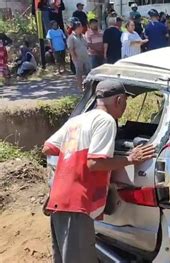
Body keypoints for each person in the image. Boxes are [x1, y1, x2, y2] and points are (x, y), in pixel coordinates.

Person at [42, 79, 156, 263]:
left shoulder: (77, 120)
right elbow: (94, 163)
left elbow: (48, 148)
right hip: (77, 203)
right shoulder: (106, 120)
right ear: (119, 100)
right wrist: (130, 158)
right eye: (125, 102)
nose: (124, 107)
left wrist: (74, 153)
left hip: (58, 199)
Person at [67, 20, 91, 90]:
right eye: (80, 27)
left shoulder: (83, 36)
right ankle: (80, 87)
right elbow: (71, 49)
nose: (82, 28)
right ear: (76, 28)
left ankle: (88, 87)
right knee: (79, 73)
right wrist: (74, 58)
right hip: (78, 58)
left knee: (88, 72)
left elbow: (87, 45)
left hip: (86, 57)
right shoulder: (71, 37)